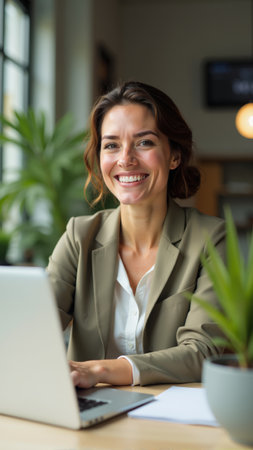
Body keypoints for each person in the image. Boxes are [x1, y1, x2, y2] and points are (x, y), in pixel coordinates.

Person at [47, 80, 225, 389]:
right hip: (88, 414)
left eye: (144, 142)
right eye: (112, 145)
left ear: (174, 156)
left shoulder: (209, 238)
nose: (125, 159)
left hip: (170, 421)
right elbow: (34, 326)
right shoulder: (79, 236)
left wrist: (99, 371)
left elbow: (202, 352)